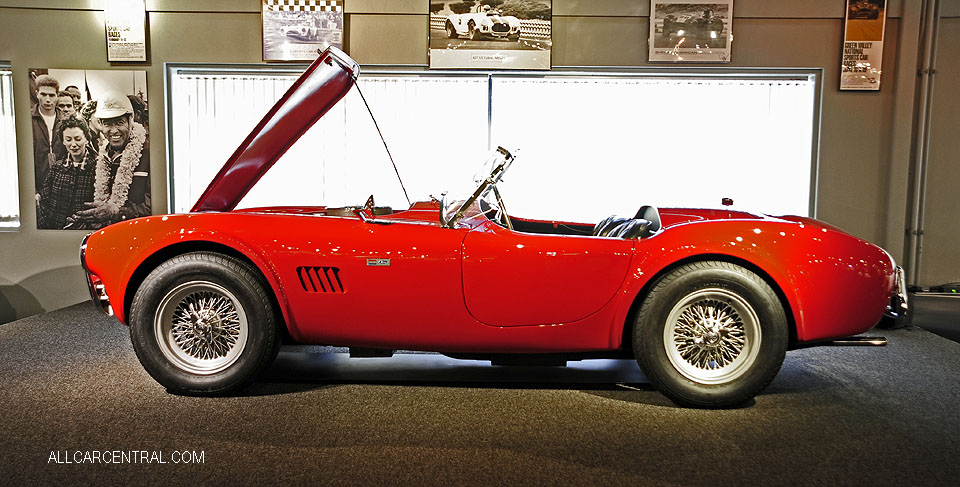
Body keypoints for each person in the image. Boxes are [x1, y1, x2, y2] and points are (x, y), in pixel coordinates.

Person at [73, 92, 150, 228]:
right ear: (101, 124)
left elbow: (156, 206)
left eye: (119, 123)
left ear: (130, 120)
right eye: (108, 124)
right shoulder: (102, 154)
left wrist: (118, 213)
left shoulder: (149, 152)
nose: (114, 131)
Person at [37, 117, 97, 230]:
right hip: (54, 229)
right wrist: (47, 225)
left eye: (78, 139)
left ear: (87, 139)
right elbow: (44, 199)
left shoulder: (97, 168)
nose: (73, 144)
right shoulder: (57, 167)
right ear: (63, 141)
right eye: (68, 139)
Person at [32, 74, 59, 201]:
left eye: (52, 95)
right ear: (37, 93)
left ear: (57, 96)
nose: (48, 99)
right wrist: (32, 189)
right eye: (43, 94)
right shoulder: (28, 120)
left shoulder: (66, 121)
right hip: (38, 186)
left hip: (62, 186)